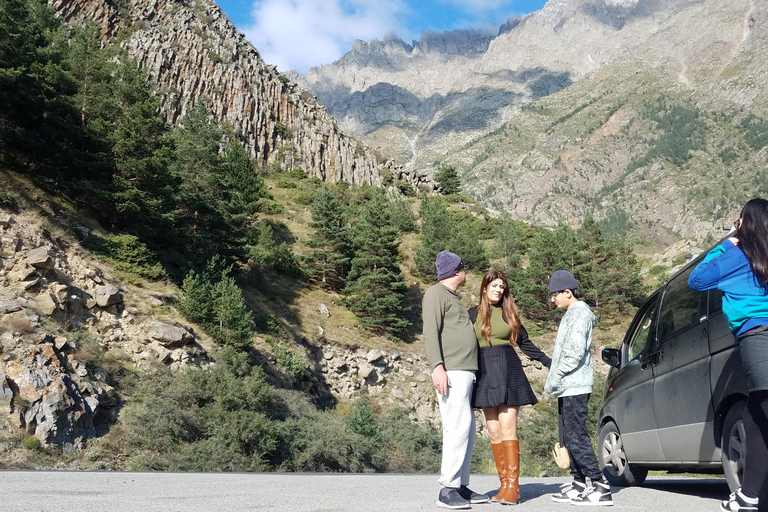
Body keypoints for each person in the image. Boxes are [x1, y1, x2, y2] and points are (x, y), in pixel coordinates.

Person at [689, 198, 768, 512]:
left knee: (761, 414)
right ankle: (750, 496)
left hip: (758, 337)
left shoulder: (737, 253)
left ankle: (750, 497)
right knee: (756, 416)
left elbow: (697, 280)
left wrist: (726, 243)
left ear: (743, 223)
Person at [469, 269, 551, 505]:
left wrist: (547, 361)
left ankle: (513, 487)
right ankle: (503, 484)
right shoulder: (471, 314)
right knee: (493, 432)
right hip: (484, 372)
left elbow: (525, 343)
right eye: (494, 286)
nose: (498, 290)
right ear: (484, 288)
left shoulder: (508, 313)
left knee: (508, 429)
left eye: (501, 287)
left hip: (508, 369)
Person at [422, 250, 490, 509]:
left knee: (467, 429)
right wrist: (437, 366)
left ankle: (460, 485)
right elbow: (430, 332)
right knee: (456, 427)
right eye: (463, 268)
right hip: (451, 371)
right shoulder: (435, 294)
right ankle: (448, 488)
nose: (466, 272)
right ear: (456, 271)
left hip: (465, 371)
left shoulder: (452, 297)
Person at [544, 270, 613, 506]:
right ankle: (580, 483)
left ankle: (600, 485)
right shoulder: (572, 313)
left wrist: (555, 378)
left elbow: (573, 354)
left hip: (574, 385)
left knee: (576, 436)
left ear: (567, 292)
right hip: (568, 386)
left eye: (555, 295)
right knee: (569, 436)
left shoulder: (579, 314)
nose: (553, 299)